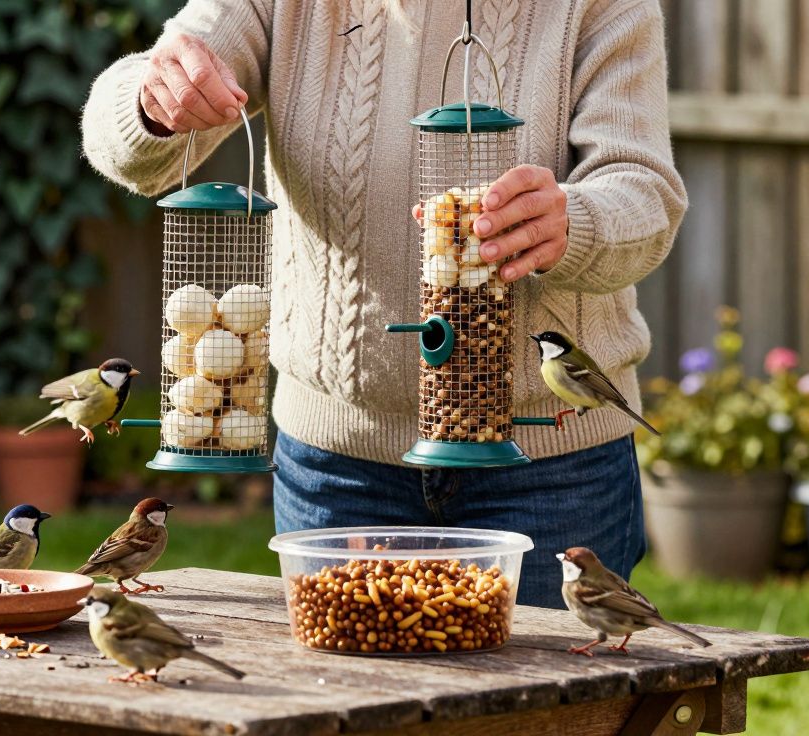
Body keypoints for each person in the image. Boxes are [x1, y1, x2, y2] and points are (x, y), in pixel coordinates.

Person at [80, 0, 685, 609]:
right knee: (339, 669)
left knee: (547, 672)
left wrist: (571, 222)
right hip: (338, 467)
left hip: (551, 467)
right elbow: (130, 140)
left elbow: (646, 193)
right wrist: (153, 102)